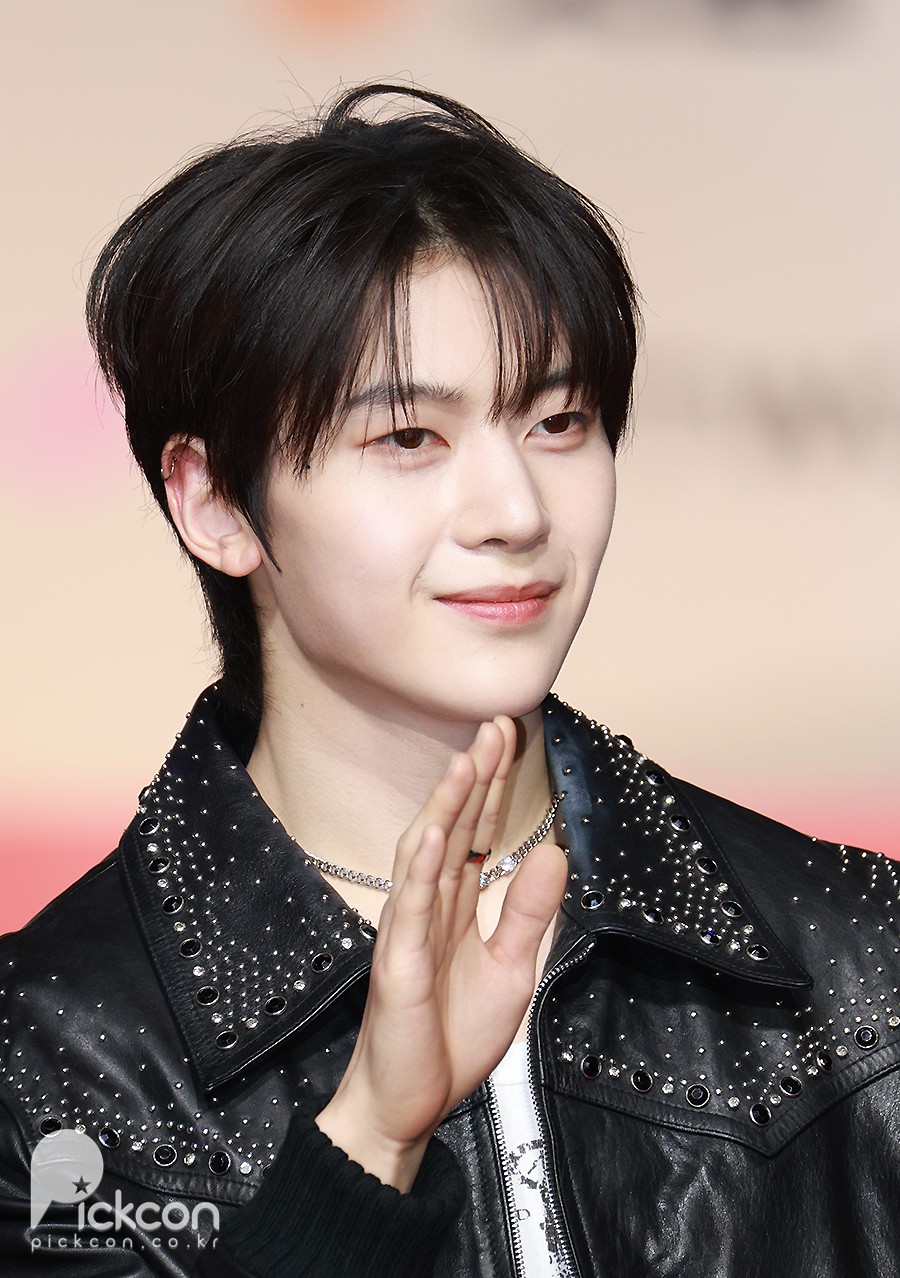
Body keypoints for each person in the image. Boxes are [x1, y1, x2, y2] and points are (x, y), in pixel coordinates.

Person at [1, 83, 897, 1278]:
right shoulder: (51, 1061)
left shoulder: (859, 964)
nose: (516, 512)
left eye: (558, 421)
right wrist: (370, 1141)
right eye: (408, 439)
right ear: (214, 502)